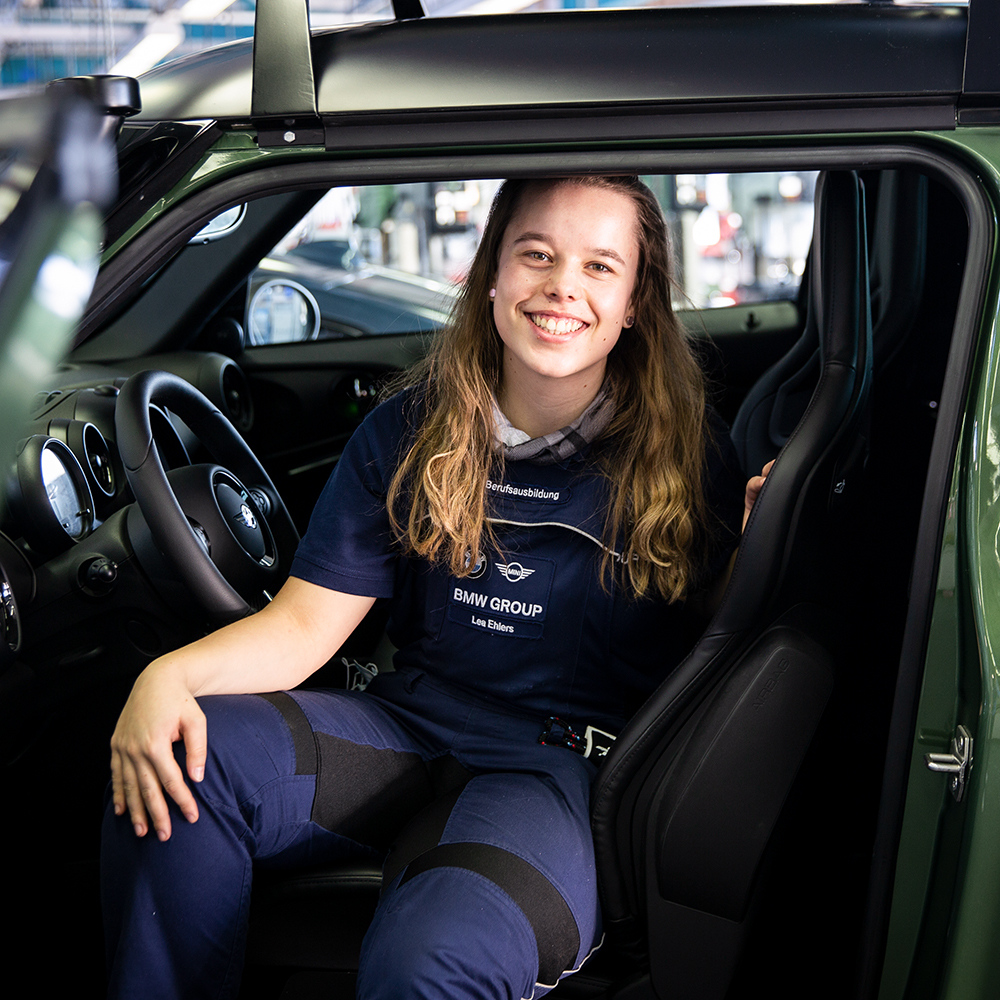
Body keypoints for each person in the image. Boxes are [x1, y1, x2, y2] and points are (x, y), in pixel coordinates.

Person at [101, 175, 769, 1000]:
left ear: (634, 302)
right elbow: (305, 627)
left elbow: (712, 626)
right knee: (177, 756)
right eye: (537, 255)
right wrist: (166, 678)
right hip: (405, 726)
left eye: (600, 266)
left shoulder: (687, 454)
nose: (562, 285)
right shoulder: (410, 431)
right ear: (492, 273)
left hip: (556, 773)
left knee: (432, 962)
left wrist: (755, 545)